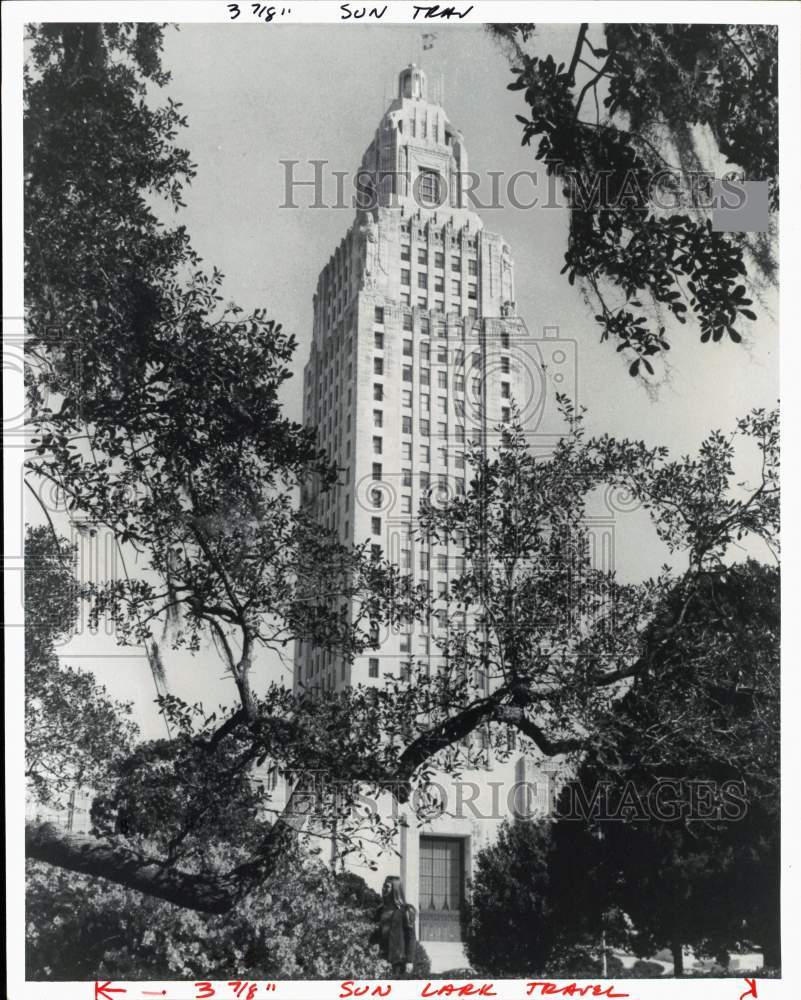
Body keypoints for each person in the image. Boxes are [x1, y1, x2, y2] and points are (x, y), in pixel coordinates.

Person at [372, 875, 416, 976]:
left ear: (395, 889)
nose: (383, 889)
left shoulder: (406, 910)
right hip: (381, 956)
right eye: (383, 886)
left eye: (387, 886)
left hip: (398, 960)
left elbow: (411, 937)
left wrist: (410, 960)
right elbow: (375, 932)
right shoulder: (380, 910)